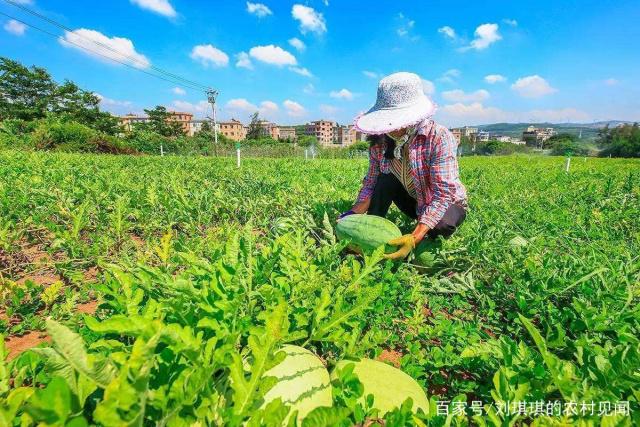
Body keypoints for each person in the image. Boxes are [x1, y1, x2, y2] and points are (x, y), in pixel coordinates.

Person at [339, 72, 467, 260]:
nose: (393, 127)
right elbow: (372, 183)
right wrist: (352, 214)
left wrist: (415, 237)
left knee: (441, 227)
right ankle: (371, 229)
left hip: (447, 203)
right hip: (413, 200)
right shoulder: (380, 142)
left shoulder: (439, 137)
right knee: (384, 177)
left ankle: (424, 232)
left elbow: (444, 193)